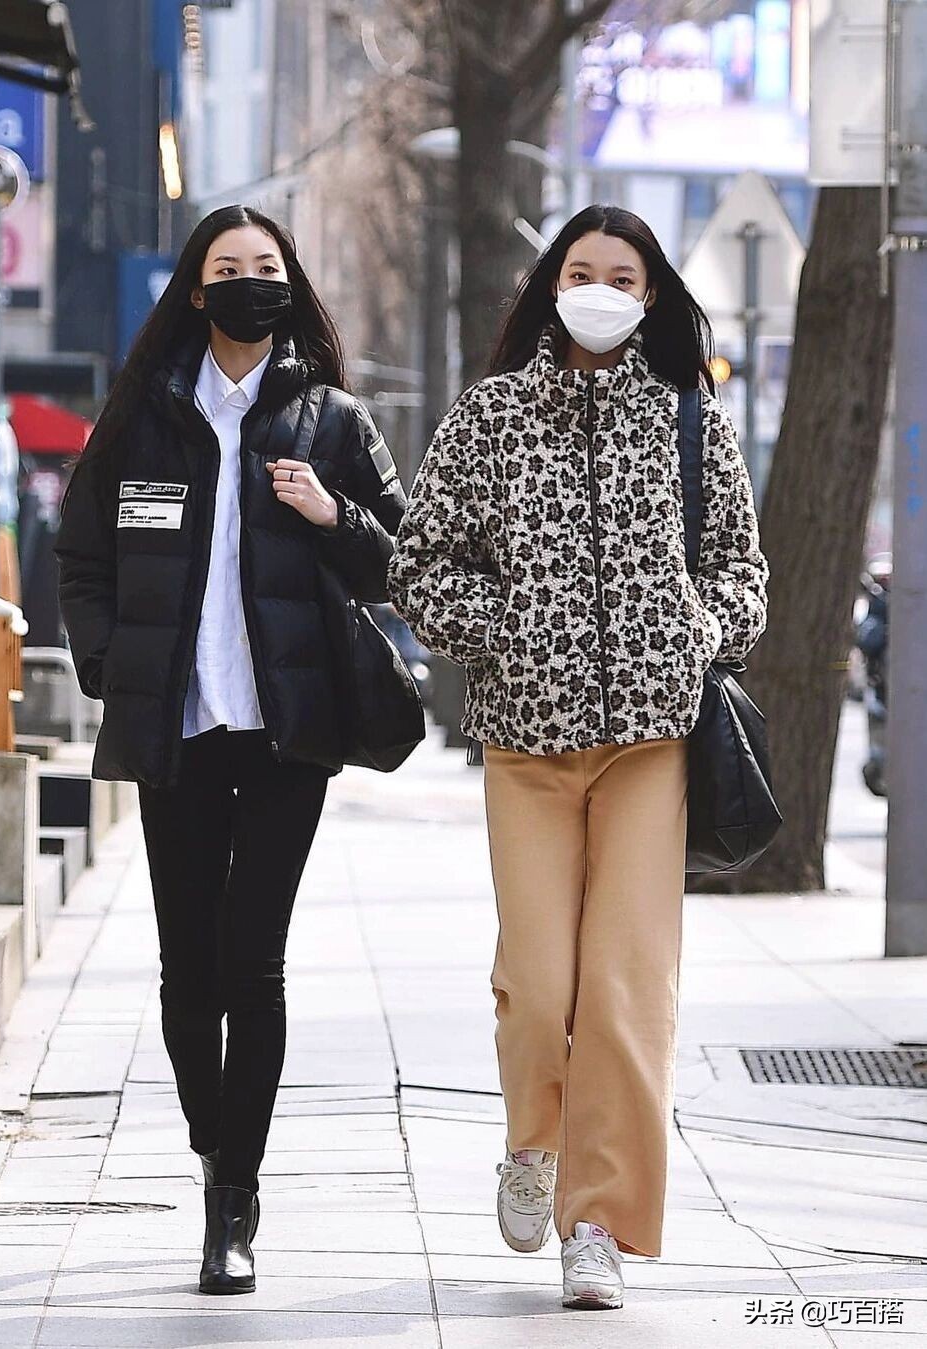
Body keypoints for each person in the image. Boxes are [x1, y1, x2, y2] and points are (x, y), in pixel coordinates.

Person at [388, 205, 768, 1310]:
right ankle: (532, 1141)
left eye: (621, 273)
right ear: (552, 284)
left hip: (653, 741)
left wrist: (700, 629)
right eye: (580, 268)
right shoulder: (492, 416)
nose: (598, 286)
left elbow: (742, 569)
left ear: (648, 297)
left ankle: (595, 1221)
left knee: (622, 988)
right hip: (526, 743)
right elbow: (421, 566)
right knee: (539, 979)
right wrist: (508, 628)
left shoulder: (694, 422)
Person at [56, 205, 405, 1295]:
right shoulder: (144, 416)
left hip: (287, 730)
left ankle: (234, 1195)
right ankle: (214, 1136)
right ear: (196, 291)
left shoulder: (332, 419)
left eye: (267, 267)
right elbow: (81, 553)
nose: (249, 281)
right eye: (227, 268)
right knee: (185, 967)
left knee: (252, 962)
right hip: (181, 724)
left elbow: (401, 560)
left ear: (287, 286)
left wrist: (330, 512)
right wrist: (115, 663)